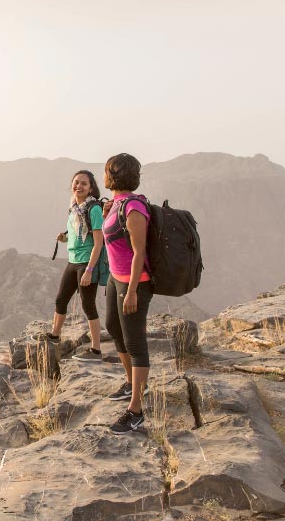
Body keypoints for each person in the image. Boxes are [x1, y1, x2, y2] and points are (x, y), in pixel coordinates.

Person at [101, 153, 153, 434]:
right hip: (115, 278)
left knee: (135, 343)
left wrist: (133, 291)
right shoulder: (118, 204)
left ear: (114, 174)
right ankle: (131, 381)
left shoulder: (133, 208)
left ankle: (136, 410)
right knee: (113, 327)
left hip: (134, 282)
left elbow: (139, 251)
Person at [37, 170, 105, 362]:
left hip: (85, 263)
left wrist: (90, 270)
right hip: (73, 261)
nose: (79, 186)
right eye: (76, 183)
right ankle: (55, 336)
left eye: (84, 183)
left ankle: (96, 350)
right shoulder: (74, 207)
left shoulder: (94, 209)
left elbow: (98, 242)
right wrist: (65, 238)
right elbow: (79, 233)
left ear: (91, 187)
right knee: (60, 300)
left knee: (88, 305)